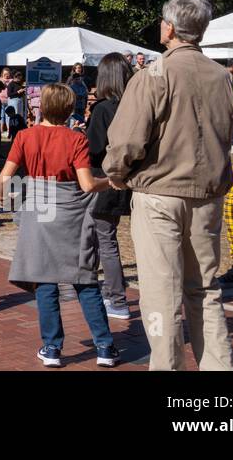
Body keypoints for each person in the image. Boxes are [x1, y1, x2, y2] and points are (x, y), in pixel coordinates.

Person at [104, 0, 233, 371]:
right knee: (206, 289)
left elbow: (127, 141)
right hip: (207, 195)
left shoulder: (154, 74)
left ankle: (167, 366)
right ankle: (219, 366)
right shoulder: (222, 77)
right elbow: (228, 132)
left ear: (168, 28)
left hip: (159, 195)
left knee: (162, 293)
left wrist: (116, 174)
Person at [0, 82, 116, 368]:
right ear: (69, 108)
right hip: (72, 215)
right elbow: (87, 184)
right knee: (84, 280)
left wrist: (9, 204)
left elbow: (4, 178)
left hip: (39, 213)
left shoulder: (25, 136)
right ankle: (104, 346)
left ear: (42, 106)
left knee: (45, 281)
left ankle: (52, 348)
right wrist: (112, 181)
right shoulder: (77, 139)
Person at [85, 53, 132, 320]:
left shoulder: (104, 108)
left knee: (104, 239)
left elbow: (93, 148)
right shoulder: (134, 105)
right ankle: (107, 291)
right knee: (104, 236)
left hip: (103, 178)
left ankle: (116, 298)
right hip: (125, 178)